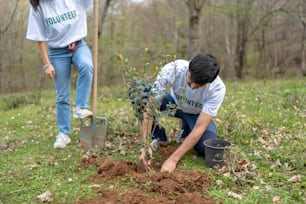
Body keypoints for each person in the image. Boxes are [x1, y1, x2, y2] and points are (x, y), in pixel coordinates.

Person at [129, 53, 226, 172]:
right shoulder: (173, 69)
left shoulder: (217, 88)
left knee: (206, 148)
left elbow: (200, 127)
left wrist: (173, 159)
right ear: (188, 68)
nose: (193, 86)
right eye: (190, 81)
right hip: (173, 104)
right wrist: (144, 145)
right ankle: (159, 136)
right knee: (138, 91)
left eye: (199, 85)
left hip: (196, 114)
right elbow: (150, 107)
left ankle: (186, 128)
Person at [26, 0, 94, 149]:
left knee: (87, 66)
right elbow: (40, 38)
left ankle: (80, 107)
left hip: (78, 45)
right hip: (56, 52)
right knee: (62, 95)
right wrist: (47, 63)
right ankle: (64, 134)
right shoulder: (38, 7)